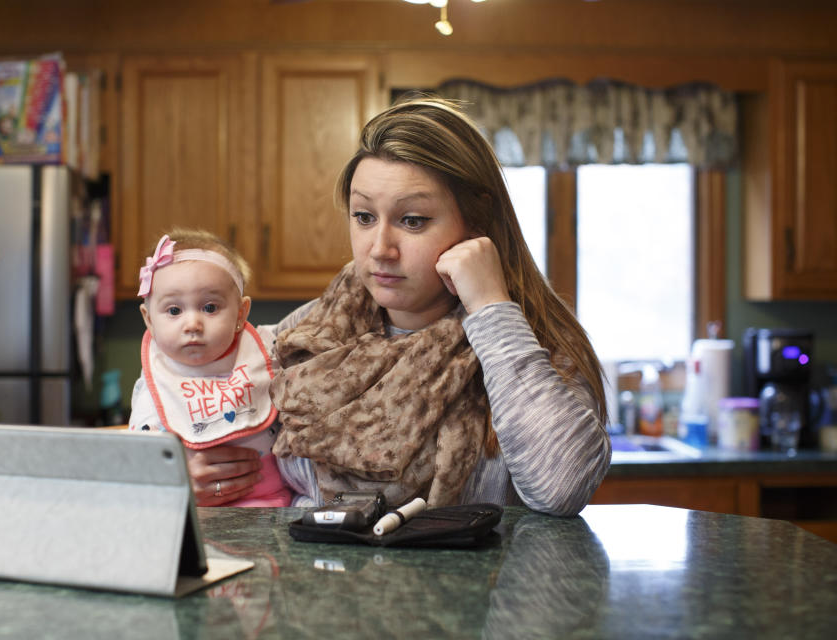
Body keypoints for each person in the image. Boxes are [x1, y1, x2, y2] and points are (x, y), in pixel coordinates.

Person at [188, 97, 611, 516]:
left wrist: (489, 307)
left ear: (477, 222)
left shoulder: (533, 343)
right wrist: (196, 477)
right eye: (364, 217)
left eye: (413, 220)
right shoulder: (305, 334)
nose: (380, 250)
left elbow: (560, 490)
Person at [128, 228, 291, 507]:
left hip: (272, 505)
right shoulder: (156, 379)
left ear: (241, 313)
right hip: (192, 511)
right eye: (174, 311)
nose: (192, 324)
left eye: (210, 308)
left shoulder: (267, 350)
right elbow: (145, 457)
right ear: (149, 319)